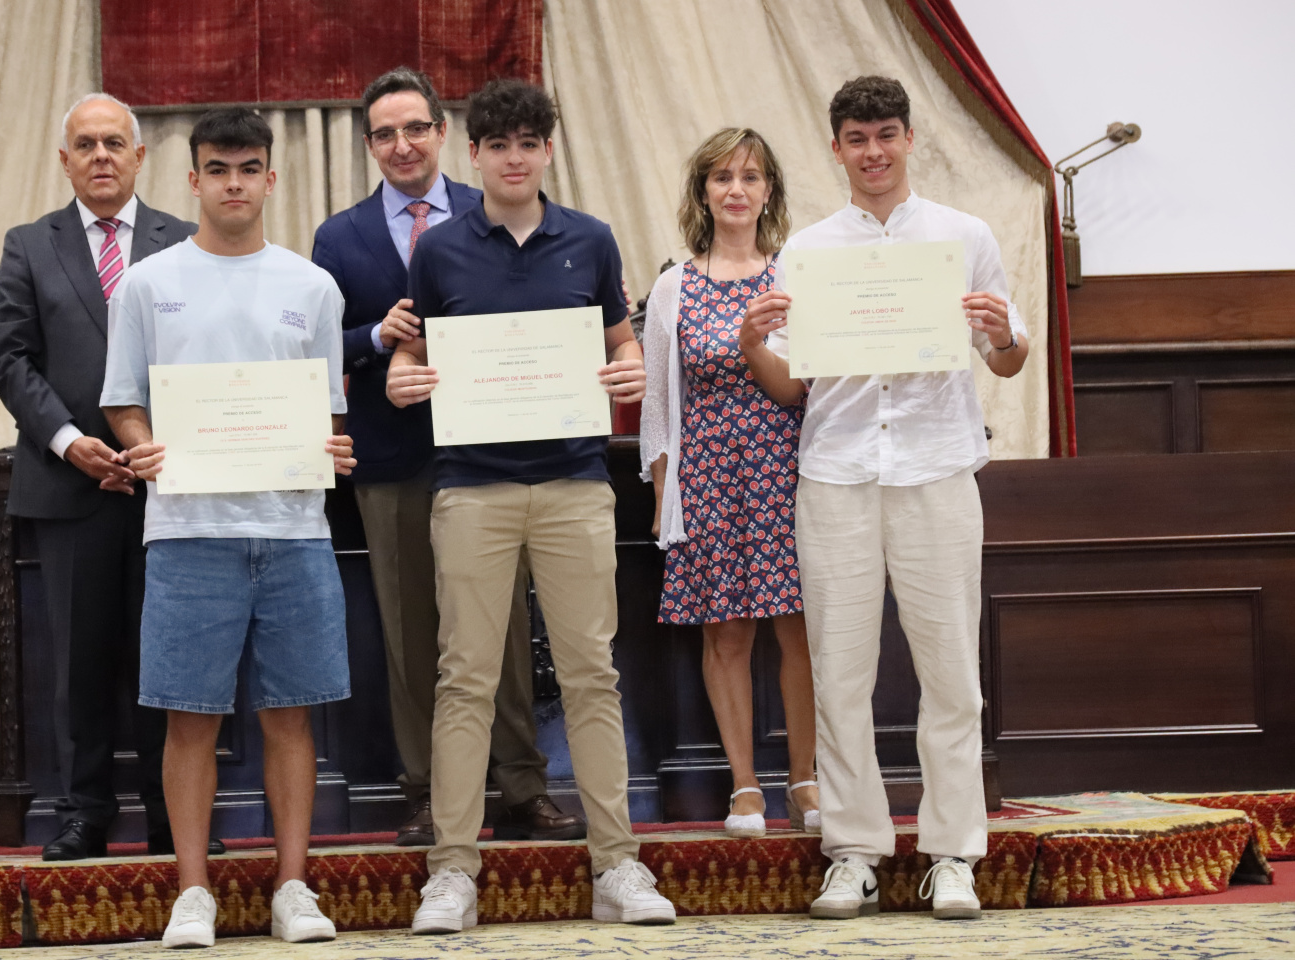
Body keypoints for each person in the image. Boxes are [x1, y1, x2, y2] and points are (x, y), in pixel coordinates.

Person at [385, 79, 676, 933]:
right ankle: (453, 871)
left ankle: (617, 865)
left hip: (576, 485)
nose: (514, 158)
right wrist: (405, 382)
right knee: (464, 678)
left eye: (529, 143)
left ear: (548, 150)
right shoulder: (437, 251)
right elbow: (407, 358)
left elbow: (622, 345)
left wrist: (629, 371)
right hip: (469, 487)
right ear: (472, 155)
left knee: (592, 674)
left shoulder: (588, 240)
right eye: (498, 145)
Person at [738, 76, 1030, 922]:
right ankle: (855, 851)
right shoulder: (806, 250)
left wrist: (1005, 332)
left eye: (887, 136)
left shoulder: (963, 236)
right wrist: (755, 343)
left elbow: (1005, 358)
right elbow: (792, 386)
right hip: (836, 475)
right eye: (857, 139)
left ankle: (951, 854)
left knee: (951, 677)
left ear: (909, 140)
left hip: (937, 468)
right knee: (839, 674)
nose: (874, 152)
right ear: (836, 148)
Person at [100, 108, 356, 948]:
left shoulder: (312, 286)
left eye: (249, 168)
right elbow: (124, 397)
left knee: (290, 715)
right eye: (219, 169)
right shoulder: (147, 283)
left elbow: (326, 411)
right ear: (193, 179)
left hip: (292, 531)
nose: (234, 183)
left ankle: (291, 885)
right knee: (188, 718)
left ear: (271, 179)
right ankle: (193, 891)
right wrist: (145, 450)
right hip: (186, 530)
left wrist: (332, 449)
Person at [309, 66, 579, 848]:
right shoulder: (340, 235)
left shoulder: (489, 208)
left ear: (442, 133)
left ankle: (523, 787)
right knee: (412, 634)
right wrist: (375, 338)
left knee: (501, 631)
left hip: (496, 453)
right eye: (386, 133)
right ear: (370, 145)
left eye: (416, 128)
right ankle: (430, 791)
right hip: (393, 461)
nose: (403, 145)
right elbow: (322, 349)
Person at [0, 92, 208, 862]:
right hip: (71, 486)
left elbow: (203, 360)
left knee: (167, 661)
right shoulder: (29, 245)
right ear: (65, 160)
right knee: (79, 665)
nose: (102, 156)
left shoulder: (186, 241)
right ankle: (82, 814)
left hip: (168, 487)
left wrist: (154, 443)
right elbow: (10, 360)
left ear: (142, 157)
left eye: (115, 142)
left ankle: (169, 816)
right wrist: (73, 441)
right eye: (86, 144)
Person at [638, 127, 819, 840]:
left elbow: (805, 387)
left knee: (799, 634)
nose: (736, 189)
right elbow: (658, 403)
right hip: (708, 476)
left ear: (769, 189)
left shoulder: (795, 277)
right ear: (703, 193)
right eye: (721, 178)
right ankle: (745, 787)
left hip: (790, 471)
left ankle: (804, 780)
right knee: (728, 636)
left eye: (749, 176)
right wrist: (662, 493)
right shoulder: (673, 288)